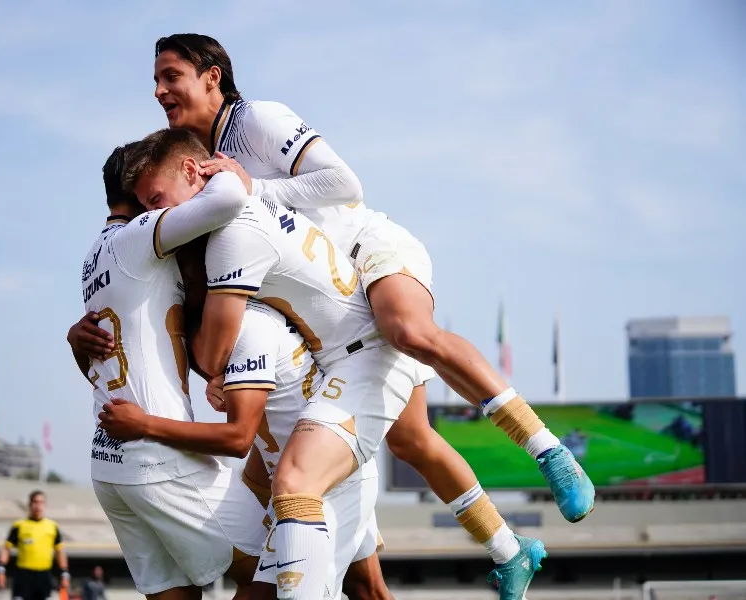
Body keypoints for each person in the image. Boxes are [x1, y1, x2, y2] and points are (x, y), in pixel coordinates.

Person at [68, 33, 594, 529]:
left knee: (408, 331)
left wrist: (254, 188)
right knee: (409, 440)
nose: (159, 90)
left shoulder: (256, 118)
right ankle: (507, 547)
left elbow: (345, 183)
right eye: (156, 80)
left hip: (364, 251)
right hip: (323, 298)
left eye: (170, 75)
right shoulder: (192, 157)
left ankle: (547, 448)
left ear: (212, 76)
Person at [119, 129, 546, 600]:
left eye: (156, 202)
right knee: (366, 583)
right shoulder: (244, 264)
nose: (155, 221)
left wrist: (149, 420)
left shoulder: (236, 255)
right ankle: (507, 546)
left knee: (324, 478)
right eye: (145, 210)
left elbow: (232, 421)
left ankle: (544, 467)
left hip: (349, 400)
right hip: (335, 407)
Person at [98, 235, 392, 600]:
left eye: (183, 271)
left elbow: (238, 439)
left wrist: (144, 425)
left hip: (326, 480)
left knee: (279, 592)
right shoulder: (216, 327)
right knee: (368, 590)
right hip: (298, 474)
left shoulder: (251, 326)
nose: (175, 280)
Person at [76, 143, 267, 600]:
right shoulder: (140, 234)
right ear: (139, 189)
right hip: (159, 457)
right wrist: (217, 169)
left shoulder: (91, 258)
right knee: (279, 567)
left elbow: (108, 355)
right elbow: (227, 200)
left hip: (109, 466)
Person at [0, 490, 69, 600]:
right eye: (35, 502)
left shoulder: (52, 527)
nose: (38, 506)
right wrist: (1, 569)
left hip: (44, 576)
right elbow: (6, 549)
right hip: (23, 576)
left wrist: (64, 574)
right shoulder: (19, 526)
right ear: (29, 504)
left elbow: (60, 552)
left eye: (41, 502)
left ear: (45, 505)